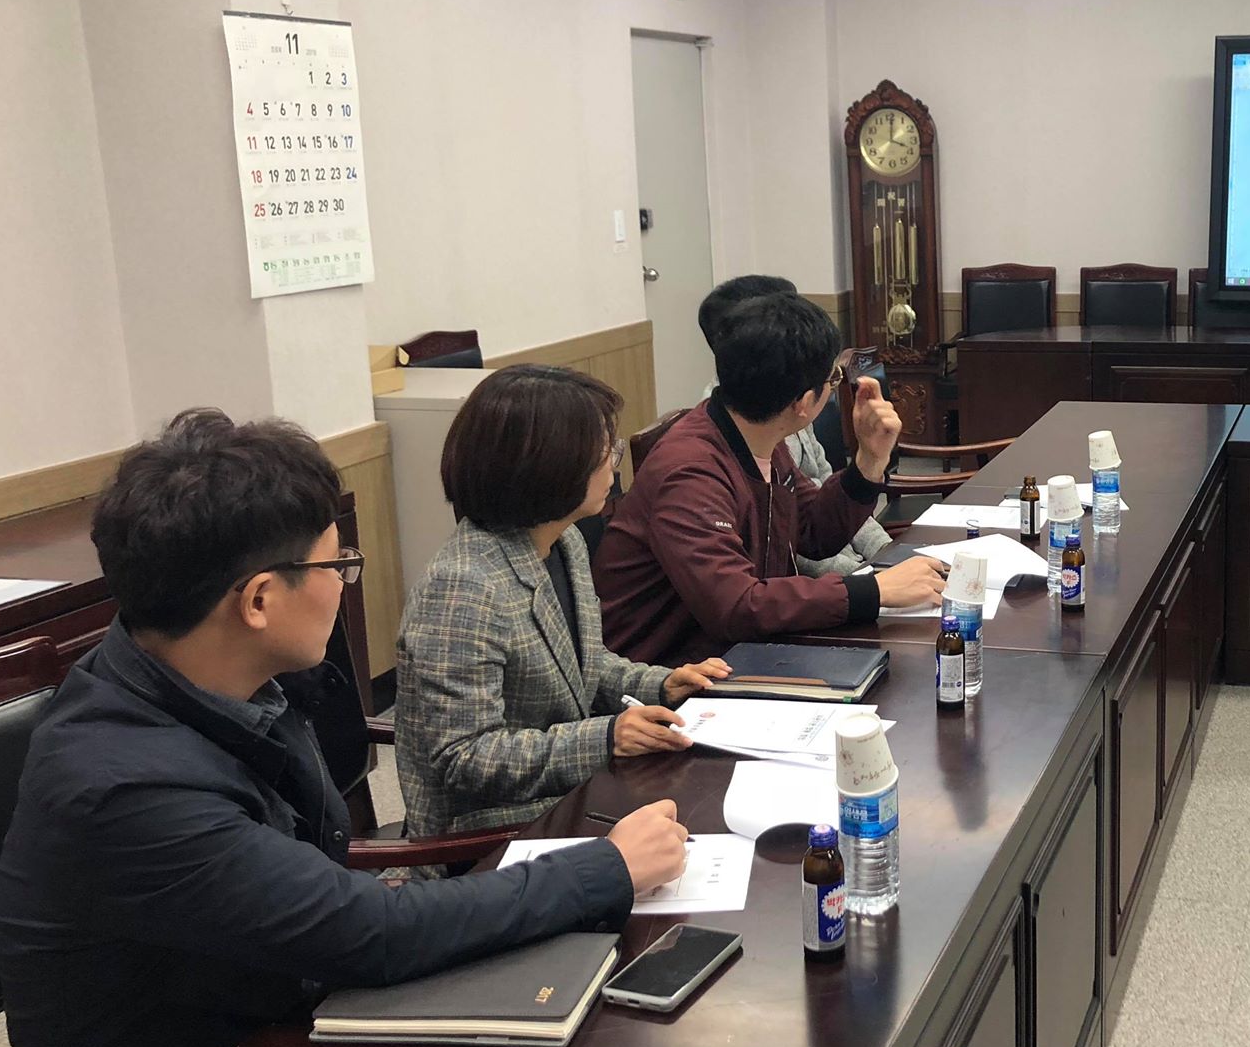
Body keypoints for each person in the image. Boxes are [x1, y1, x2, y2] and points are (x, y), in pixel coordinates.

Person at [0, 411, 691, 1047]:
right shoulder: (125, 787)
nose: (345, 583)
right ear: (258, 599)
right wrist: (605, 868)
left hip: (279, 1029)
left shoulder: (213, 679)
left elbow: (320, 883)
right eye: (336, 566)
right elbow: (363, 932)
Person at [396, 364, 730, 845]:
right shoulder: (463, 586)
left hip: (565, 794)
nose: (614, 465)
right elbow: (465, 758)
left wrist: (661, 685)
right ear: (551, 468)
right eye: (605, 453)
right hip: (488, 832)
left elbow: (583, 666)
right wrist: (605, 737)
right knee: (694, 820)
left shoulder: (563, 540)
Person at [595, 291, 948, 661]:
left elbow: (813, 533)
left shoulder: (758, 435)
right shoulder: (689, 472)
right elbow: (734, 606)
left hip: (739, 651)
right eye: (833, 378)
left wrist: (869, 460)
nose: (834, 387)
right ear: (803, 403)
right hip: (668, 672)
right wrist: (873, 591)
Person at [695, 275, 894, 577]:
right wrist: (870, 581)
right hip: (807, 584)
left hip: (830, 577)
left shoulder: (772, 424)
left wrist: (888, 555)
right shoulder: (708, 455)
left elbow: (812, 525)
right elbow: (745, 591)